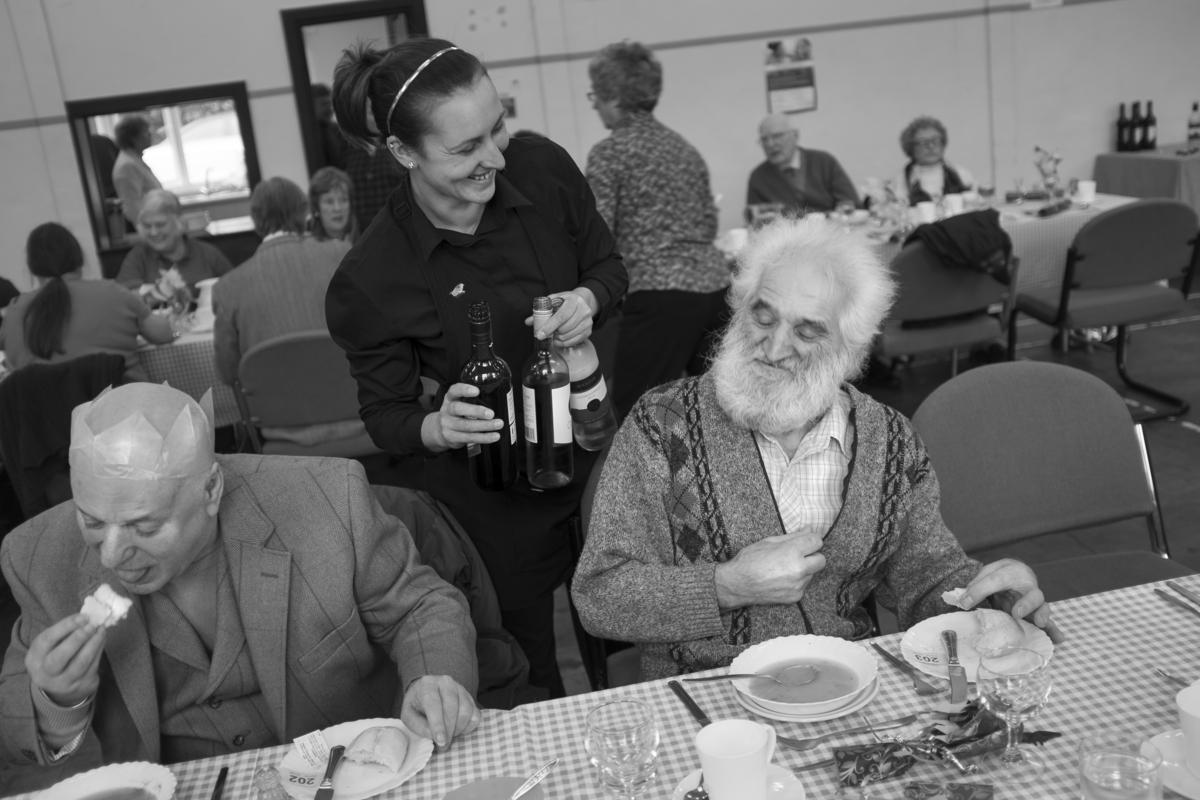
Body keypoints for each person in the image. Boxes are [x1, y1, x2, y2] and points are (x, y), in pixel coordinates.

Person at [571, 217, 1060, 680]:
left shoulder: (890, 441)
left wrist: (991, 598)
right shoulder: (661, 425)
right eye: (762, 318)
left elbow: (928, 578)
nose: (776, 347)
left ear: (850, 350)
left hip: (847, 691)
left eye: (807, 331)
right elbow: (600, 595)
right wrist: (725, 584)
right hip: (704, 698)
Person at [325, 38, 627, 697]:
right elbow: (385, 415)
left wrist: (587, 298)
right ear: (404, 152)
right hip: (496, 495)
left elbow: (609, 268)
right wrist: (438, 426)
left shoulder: (542, 170)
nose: (495, 157)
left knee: (626, 646)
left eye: (497, 128)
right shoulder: (373, 278)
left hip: (598, 455)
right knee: (529, 673)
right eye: (466, 149)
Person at [0, 382, 479, 770]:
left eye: (144, 526)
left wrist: (433, 675)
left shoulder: (328, 498)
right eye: (92, 520)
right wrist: (58, 698)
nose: (110, 553)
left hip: (346, 773)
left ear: (211, 489)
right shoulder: (38, 557)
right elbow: (18, 733)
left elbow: (420, 606)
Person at [585, 41, 729, 421]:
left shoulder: (609, 152)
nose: (593, 104)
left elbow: (597, 233)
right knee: (715, 414)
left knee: (638, 416)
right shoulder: (684, 148)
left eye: (595, 95)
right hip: (715, 291)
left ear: (614, 97)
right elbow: (709, 224)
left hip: (660, 296)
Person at [213, 177, 350, 390]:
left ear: (255, 219)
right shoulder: (340, 254)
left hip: (277, 414)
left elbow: (228, 373)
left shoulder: (227, 288)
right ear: (304, 213)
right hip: (348, 401)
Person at [0, 223, 175, 381]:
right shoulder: (113, 293)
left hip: (51, 415)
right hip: (124, 408)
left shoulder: (14, 313)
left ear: (33, 269)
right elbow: (164, 335)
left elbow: (14, 372)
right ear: (79, 260)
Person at [116, 190, 233, 298]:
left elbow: (235, 290)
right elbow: (122, 299)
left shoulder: (207, 254)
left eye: (160, 225)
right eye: (147, 226)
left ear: (179, 224)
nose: (153, 232)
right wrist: (160, 294)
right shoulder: (138, 257)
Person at [746, 114, 858, 217]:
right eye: (764, 139)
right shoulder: (758, 177)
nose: (770, 144)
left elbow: (850, 203)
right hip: (787, 236)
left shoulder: (824, 161)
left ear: (795, 135)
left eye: (777, 136)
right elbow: (754, 219)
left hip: (831, 231)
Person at [898, 116, 975, 205]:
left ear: (943, 144)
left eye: (935, 141)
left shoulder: (961, 175)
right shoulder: (901, 181)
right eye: (923, 142)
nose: (930, 146)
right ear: (911, 148)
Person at [111, 115, 162, 225]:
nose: (149, 134)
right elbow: (132, 208)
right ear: (133, 138)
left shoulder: (134, 160)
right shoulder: (127, 166)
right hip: (151, 229)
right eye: (145, 132)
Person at [308, 166, 359, 242]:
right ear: (316, 207)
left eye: (343, 200)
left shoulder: (369, 234)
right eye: (329, 202)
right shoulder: (304, 244)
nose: (337, 208)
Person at [311, 83, 347, 170]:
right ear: (310, 106)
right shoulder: (306, 133)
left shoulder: (338, 131)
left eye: (330, 104)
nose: (330, 109)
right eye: (324, 104)